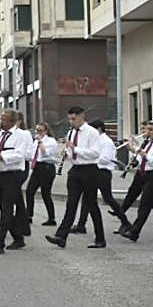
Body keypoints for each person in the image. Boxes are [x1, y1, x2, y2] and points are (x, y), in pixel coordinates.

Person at [45, 106, 104, 249]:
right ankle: (61, 236)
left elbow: (95, 153)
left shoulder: (92, 132)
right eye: (70, 119)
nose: (71, 122)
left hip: (89, 170)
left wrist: (74, 148)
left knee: (92, 205)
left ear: (82, 116)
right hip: (75, 170)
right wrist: (67, 154)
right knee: (71, 205)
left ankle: (100, 238)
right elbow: (73, 153)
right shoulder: (71, 132)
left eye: (73, 119)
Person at [70, 120, 128, 239]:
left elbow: (105, 158)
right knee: (87, 198)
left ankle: (125, 221)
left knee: (107, 198)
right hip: (95, 171)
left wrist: (89, 157)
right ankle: (81, 225)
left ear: (99, 129)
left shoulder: (106, 141)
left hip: (103, 172)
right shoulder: (97, 140)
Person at [0, 109, 33, 254]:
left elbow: (20, 155)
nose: (1, 122)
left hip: (13, 175)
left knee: (7, 209)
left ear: (12, 121)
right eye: (1, 119)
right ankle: (19, 238)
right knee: (4, 208)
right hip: (0, 174)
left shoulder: (22, 135)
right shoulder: (0, 134)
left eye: (4, 120)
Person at [26, 123, 59, 227]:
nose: (38, 132)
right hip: (37, 167)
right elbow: (32, 154)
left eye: (40, 130)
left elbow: (45, 153)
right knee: (29, 191)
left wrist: (40, 141)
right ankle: (28, 216)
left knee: (46, 193)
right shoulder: (35, 141)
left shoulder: (51, 141)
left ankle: (51, 218)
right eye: (37, 130)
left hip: (47, 168)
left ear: (46, 131)